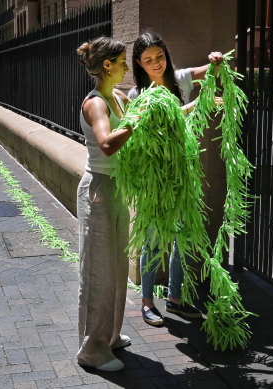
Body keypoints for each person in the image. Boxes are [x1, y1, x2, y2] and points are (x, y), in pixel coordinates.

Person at [128, 31, 223, 327]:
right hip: (154, 179)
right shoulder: (136, 96)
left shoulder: (180, 79)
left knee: (182, 238)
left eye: (160, 56)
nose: (156, 63)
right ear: (139, 64)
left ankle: (175, 299)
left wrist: (216, 60)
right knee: (153, 241)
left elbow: (212, 70)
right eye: (148, 60)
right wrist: (200, 103)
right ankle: (146, 303)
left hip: (183, 172)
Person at [76, 36, 133, 372]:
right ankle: (92, 350)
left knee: (117, 266)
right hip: (98, 190)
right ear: (108, 65)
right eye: (123, 61)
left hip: (118, 188)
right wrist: (135, 124)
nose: (128, 66)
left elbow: (157, 112)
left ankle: (109, 336)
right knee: (98, 272)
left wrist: (199, 105)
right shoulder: (96, 103)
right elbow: (107, 144)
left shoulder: (119, 96)